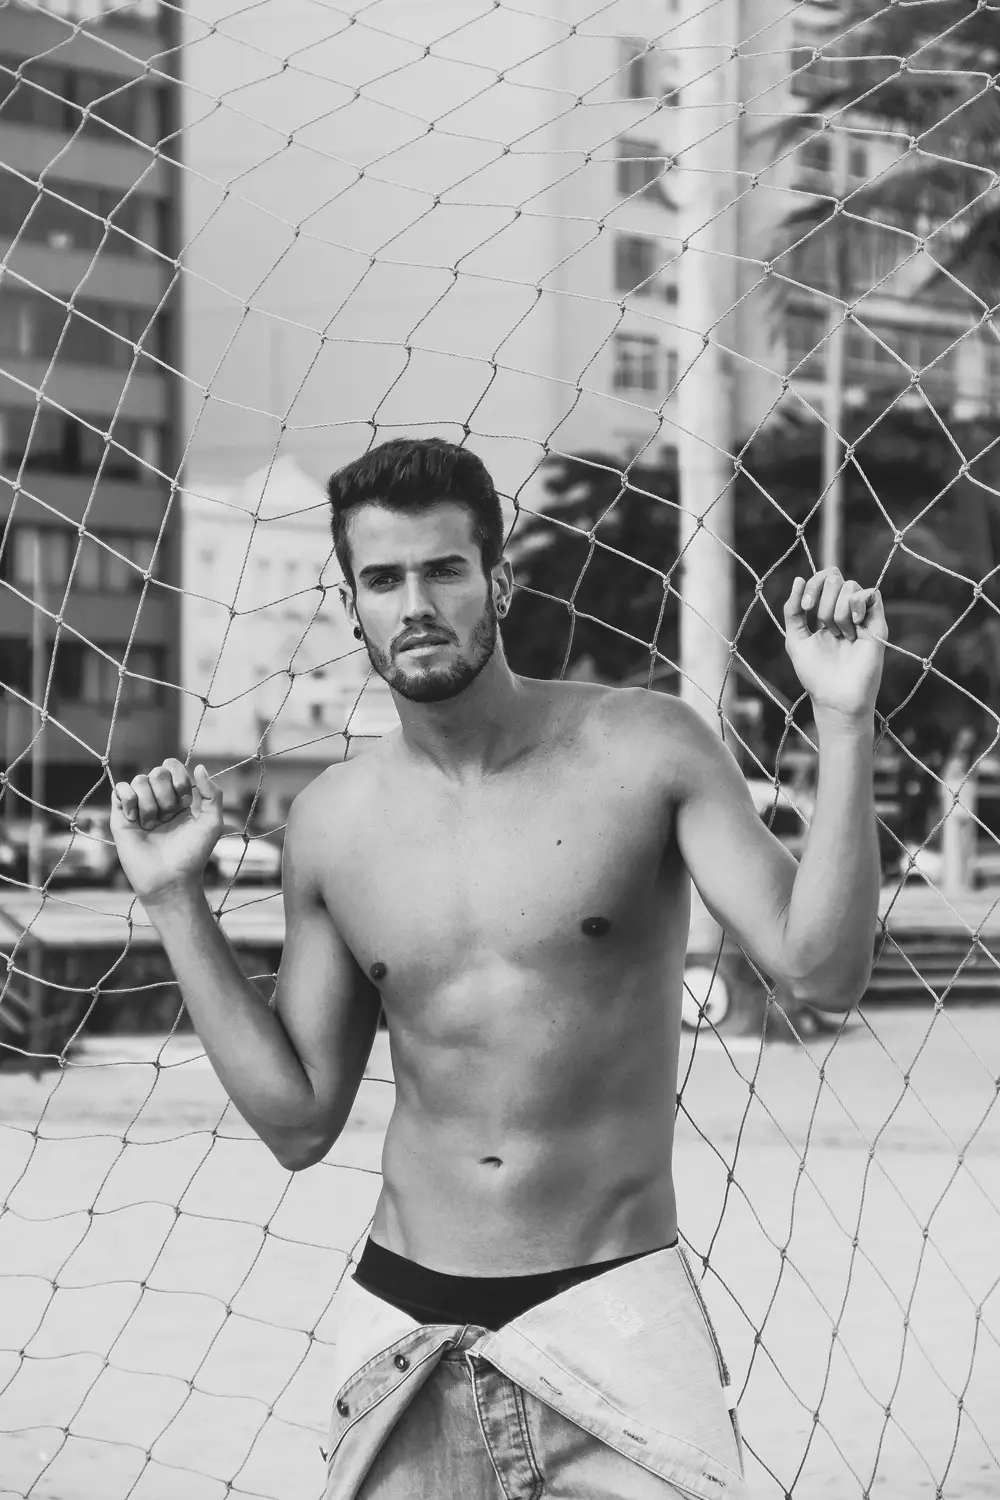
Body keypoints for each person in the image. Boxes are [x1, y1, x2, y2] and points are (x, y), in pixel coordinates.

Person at [110, 437, 887, 1499]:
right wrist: (169, 897)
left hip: (609, 1317)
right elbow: (297, 1121)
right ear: (352, 605)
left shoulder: (646, 749)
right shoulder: (330, 822)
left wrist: (843, 721)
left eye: (443, 570)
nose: (415, 603)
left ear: (498, 582)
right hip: (400, 1330)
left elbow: (822, 972)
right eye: (383, 579)